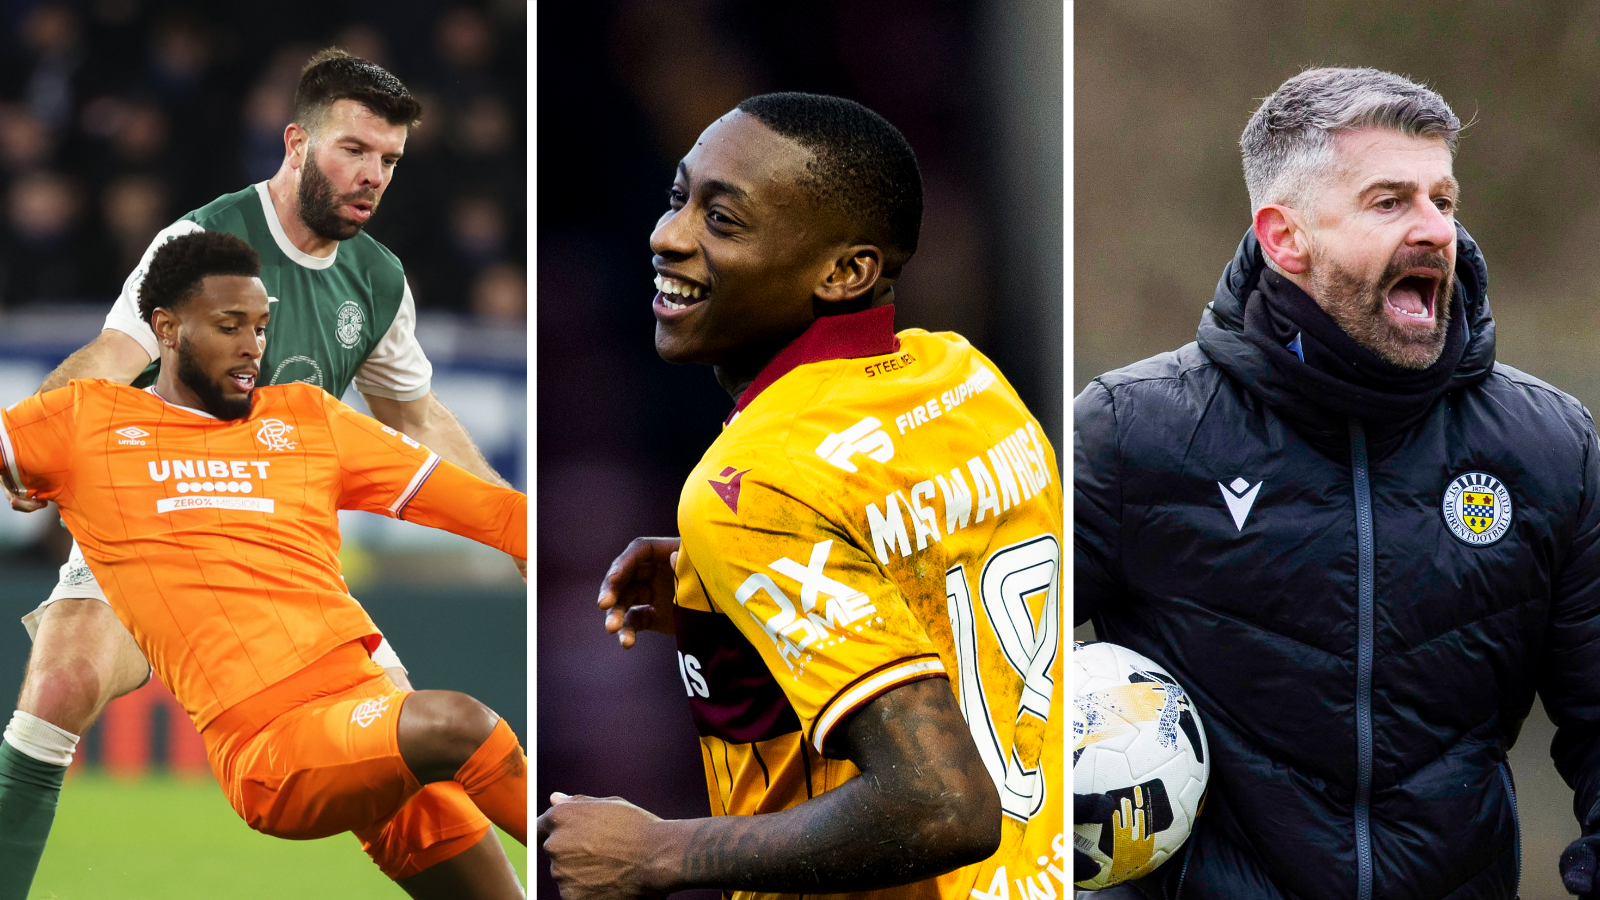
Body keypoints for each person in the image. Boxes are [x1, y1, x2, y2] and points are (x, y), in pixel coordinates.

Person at [0, 48, 519, 897]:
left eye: (388, 160)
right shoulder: (204, 242)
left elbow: (416, 416)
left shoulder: (378, 278)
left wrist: (509, 524)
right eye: (353, 149)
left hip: (283, 558)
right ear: (295, 143)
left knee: (403, 771)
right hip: (155, 510)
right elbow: (113, 353)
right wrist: (42, 427)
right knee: (56, 688)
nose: (372, 176)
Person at [1075, 66, 1600, 899]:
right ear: (1285, 237)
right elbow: (998, 678)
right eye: (1390, 202)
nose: (1440, 233)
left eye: (1444, 200)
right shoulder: (1131, 432)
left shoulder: (1549, 446)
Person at [536, 93, 1065, 899]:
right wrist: (737, 589)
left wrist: (657, 854)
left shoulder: (755, 482)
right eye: (680, 198)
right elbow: (935, 564)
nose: (666, 236)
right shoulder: (963, 380)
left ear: (844, 271)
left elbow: (945, 808)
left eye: (724, 220)